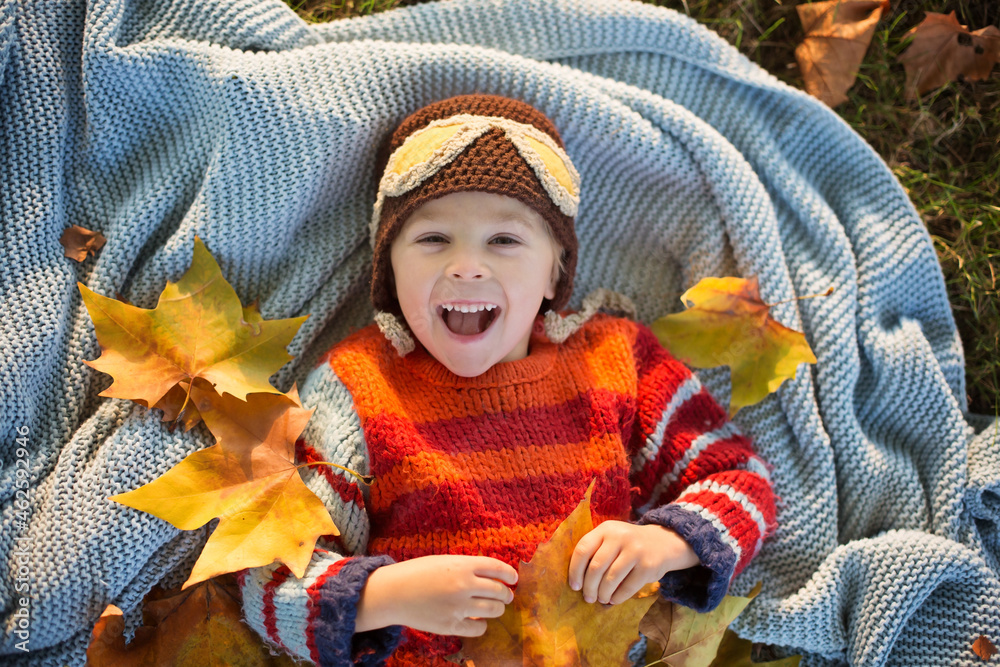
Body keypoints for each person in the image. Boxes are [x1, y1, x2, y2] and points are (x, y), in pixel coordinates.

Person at [240, 94, 776, 666]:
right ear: (389, 271)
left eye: (505, 241)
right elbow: (268, 578)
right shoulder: (357, 383)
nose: (467, 264)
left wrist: (666, 544)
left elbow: (742, 481)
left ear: (554, 271)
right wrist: (383, 596)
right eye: (432, 239)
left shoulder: (614, 358)